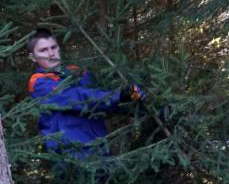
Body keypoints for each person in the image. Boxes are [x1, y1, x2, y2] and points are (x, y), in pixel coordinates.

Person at [27, 28, 144, 159]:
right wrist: (117, 95)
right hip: (69, 154)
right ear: (33, 57)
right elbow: (76, 97)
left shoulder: (79, 71)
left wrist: (130, 98)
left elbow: (101, 102)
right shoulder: (39, 82)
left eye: (53, 47)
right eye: (43, 50)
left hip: (99, 146)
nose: (51, 53)